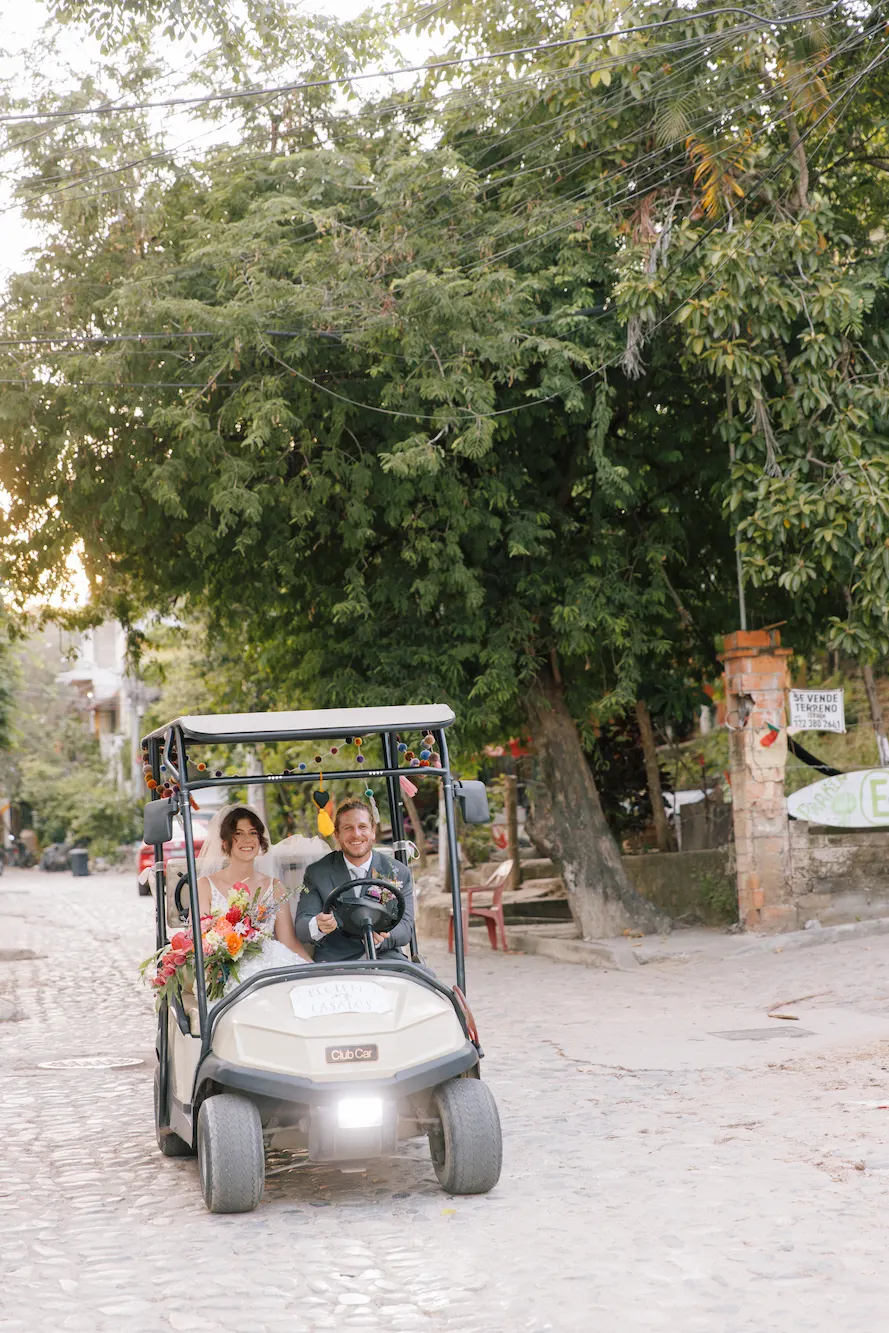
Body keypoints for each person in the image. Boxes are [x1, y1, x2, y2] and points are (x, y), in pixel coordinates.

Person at [196, 805, 311, 989]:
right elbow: (201, 939)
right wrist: (214, 965)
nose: (247, 839)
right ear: (225, 842)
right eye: (238, 833)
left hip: (271, 963)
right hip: (227, 969)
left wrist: (316, 970)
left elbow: (288, 941)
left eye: (253, 833)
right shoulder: (204, 885)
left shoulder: (275, 887)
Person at [294, 799, 415, 963]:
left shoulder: (398, 871)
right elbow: (302, 926)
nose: (356, 834)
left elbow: (405, 928)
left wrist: (380, 939)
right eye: (348, 828)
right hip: (336, 962)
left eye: (363, 827)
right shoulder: (317, 872)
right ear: (337, 835)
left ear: (373, 831)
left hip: (385, 958)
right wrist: (318, 924)